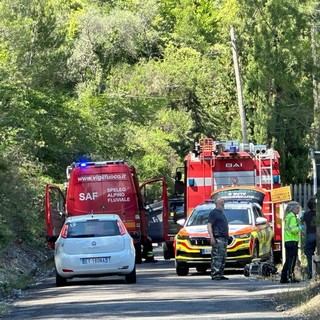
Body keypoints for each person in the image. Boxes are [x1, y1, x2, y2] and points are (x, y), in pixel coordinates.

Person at [207, 197, 229, 280]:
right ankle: (215, 274)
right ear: (216, 203)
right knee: (217, 257)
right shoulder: (214, 213)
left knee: (223, 257)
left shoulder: (221, 213)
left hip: (224, 238)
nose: (223, 203)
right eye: (221, 202)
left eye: (223, 202)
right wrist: (212, 237)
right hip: (218, 238)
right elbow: (209, 225)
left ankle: (220, 273)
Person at [280, 201, 301, 284]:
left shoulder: (288, 216)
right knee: (291, 261)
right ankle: (290, 277)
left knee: (288, 260)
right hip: (292, 241)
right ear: (292, 208)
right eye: (297, 208)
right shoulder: (292, 217)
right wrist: (300, 228)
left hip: (288, 241)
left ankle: (284, 277)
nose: (298, 210)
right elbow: (293, 230)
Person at [301, 197, 316, 279]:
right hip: (318, 235)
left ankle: (311, 272)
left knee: (309, 252)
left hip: (310, 235)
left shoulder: (306, 214)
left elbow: (300, 221)